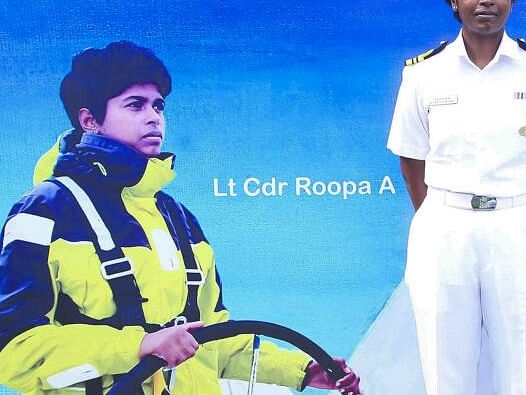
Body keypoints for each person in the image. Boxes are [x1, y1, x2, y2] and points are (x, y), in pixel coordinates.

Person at [0, 41, 361, 395]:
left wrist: (301, 371)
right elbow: (14, 352)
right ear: (89, 119)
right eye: (135, 105)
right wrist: (138, 347)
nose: (153, 116)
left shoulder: (180, 220)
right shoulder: (43, 211)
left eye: (158, 105)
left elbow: (213, 339)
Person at [387, 0, 526, 395]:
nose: (485, 0)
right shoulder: (422, 75)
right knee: (445, 364)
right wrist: (442, 215)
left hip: (519, 225)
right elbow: (412, 158)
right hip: (445, 226)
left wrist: (522, 214)